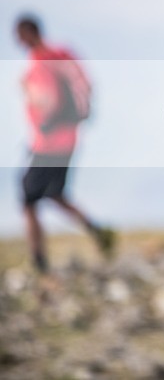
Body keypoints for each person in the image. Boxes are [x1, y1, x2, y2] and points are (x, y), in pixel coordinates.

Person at [15, 14, 115, 275]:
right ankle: (96, 231)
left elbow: (51, 102)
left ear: (26, 32)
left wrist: (45, 128)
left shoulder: (42, 61)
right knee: (55, 194)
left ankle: (39, 262)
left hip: (50, 142)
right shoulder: (61, 55)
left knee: (28, 199)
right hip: (67, 139)